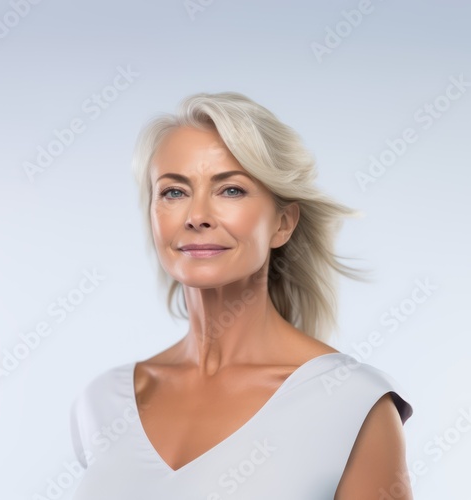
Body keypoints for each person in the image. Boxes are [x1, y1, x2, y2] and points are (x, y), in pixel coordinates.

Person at [69, 92, 414, 499]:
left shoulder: (353, 403)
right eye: (174, 192)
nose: (197, 216)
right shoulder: (103, 402)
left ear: (282, 224)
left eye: (230, 190)